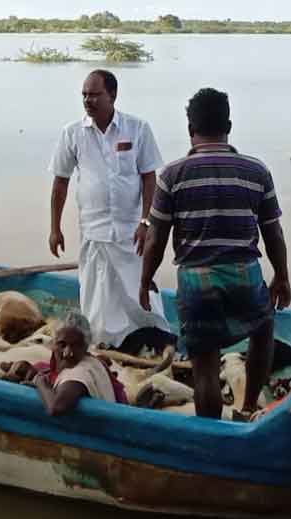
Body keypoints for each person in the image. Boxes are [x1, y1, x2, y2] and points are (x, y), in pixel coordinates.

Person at [140, 88, 291, 419]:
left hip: (196, 280)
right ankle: (249, 406)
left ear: (190, 128)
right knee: (263, 328)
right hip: (244, 273)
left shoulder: (172, 175)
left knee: (206, 365)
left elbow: (155, 238)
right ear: (229, 125)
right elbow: (273, 232)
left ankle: (211, 430)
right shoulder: (256, 171)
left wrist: (145, 279)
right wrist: (281, 276)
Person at [48, 69, 172, 352]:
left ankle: (154, 337)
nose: (88, 100)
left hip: (132, 230)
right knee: (97, 293)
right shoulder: (72, 133)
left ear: (112, 95)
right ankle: (103, 344)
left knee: (140, 288)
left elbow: (149, 177)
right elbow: (60, 182)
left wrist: (146, 221)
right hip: (94, 229)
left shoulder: (137, 128)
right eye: (84, 95)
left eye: (94, 94)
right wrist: (55, 228)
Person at [34, 310, 118, 416]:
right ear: (53, 344)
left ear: (86, 347)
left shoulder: (78, 374)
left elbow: (56, 408)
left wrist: (41, 384)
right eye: (62, 344)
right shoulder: (93, 362)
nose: (68, 353)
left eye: (75, 345)